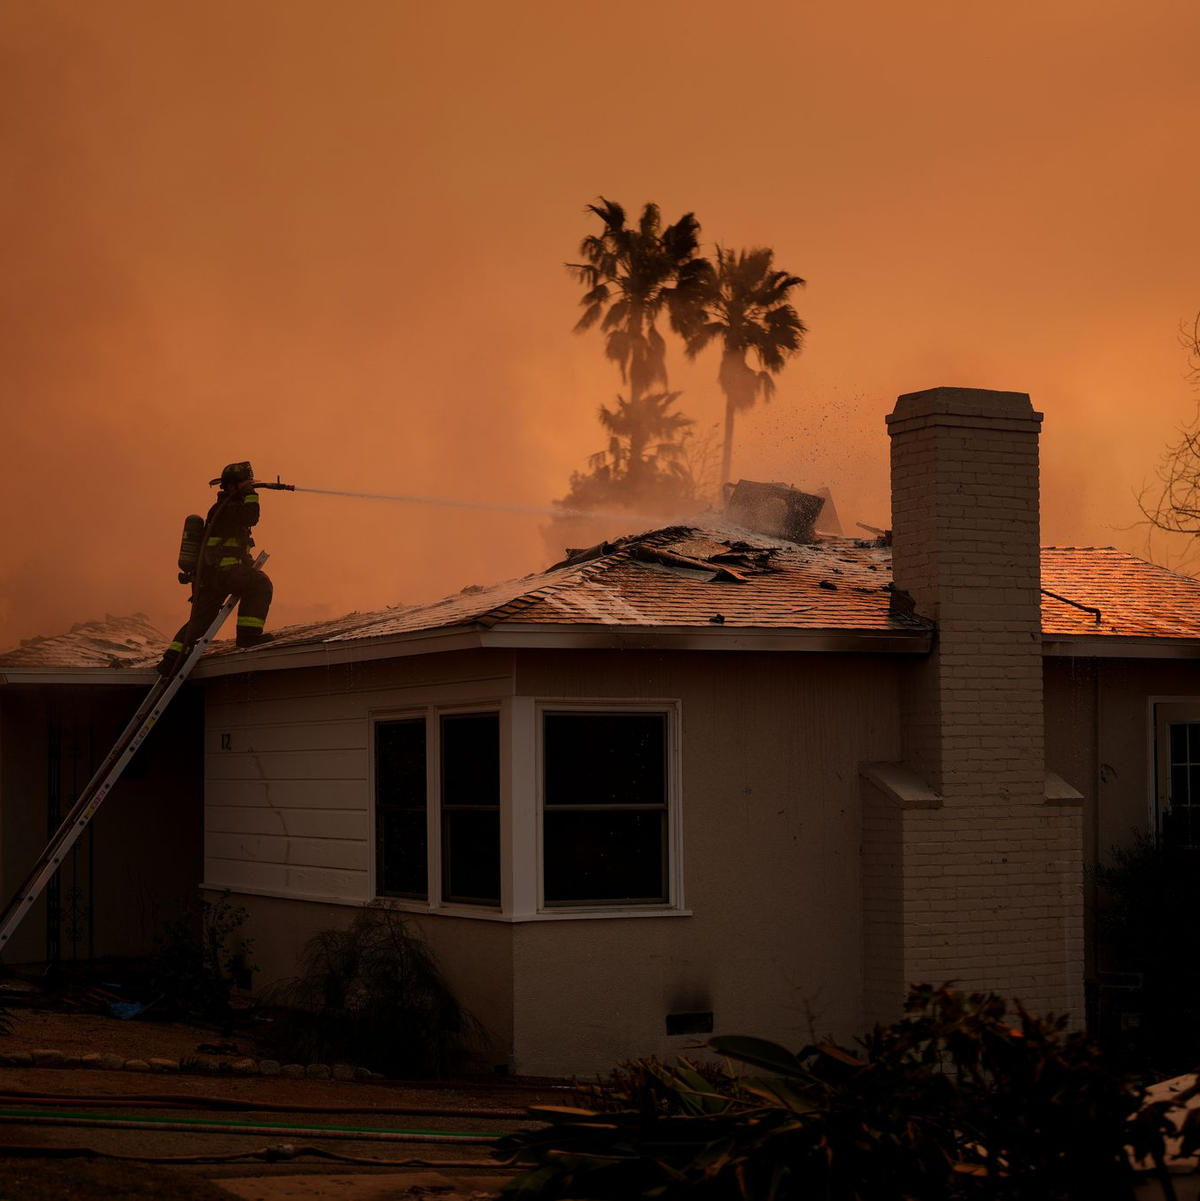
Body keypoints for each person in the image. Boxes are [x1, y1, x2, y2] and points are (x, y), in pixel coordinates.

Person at [157, 461, 274, 677]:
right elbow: (251, 517)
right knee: (260, 584)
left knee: (201, 621)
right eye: (245, 483)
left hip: (212, 575)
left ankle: (171, 660)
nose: (249, 487)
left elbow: (235, 542)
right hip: (223, 572)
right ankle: (248, 636)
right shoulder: (228, 508)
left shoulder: (225, 509)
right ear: (231, 486)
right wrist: (251, 494)